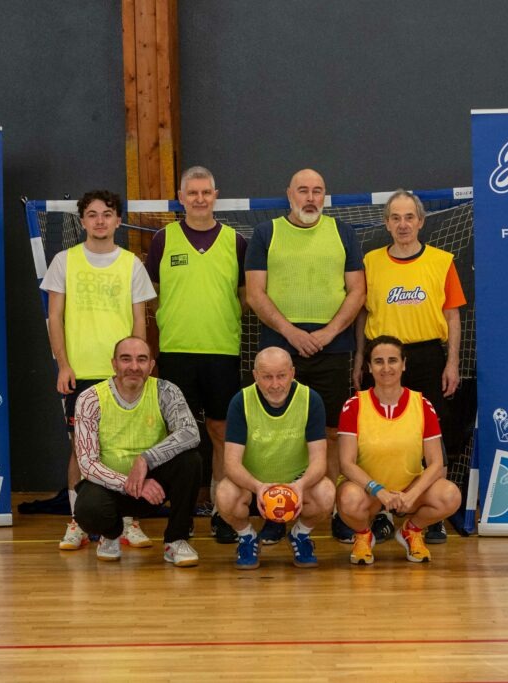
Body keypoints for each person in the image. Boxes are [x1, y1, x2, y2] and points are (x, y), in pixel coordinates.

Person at [245, 168, 364, 542]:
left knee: (332, 433)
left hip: (333, 348)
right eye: (303, 190)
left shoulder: (343, 233)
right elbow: (255, 294)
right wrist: (291, 333)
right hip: (279, 348)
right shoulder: (265, 233)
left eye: (317, 191)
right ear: (289, 194)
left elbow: (357, 291)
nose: (310, 198)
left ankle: (334, 510)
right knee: (276, 434)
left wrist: (328, 332)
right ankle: (275, 512)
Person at [41, 190, 157, 551]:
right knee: (81, 450)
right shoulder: (64, 261)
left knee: (126, 447)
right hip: (81, 372)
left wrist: (138, 368)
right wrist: (63, 364)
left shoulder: (131, 264)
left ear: (118, 220)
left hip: (122, 375)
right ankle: (78, 521)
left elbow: (140, 321)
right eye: (92, 214)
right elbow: (54, 317)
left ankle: (128, 521)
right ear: (82, 221)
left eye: (107, 214)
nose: (100, 220)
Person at [352, 189, 466, 544]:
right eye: (396, 218)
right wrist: (359, 358)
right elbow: (362, 314)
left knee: (433, 435)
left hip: (428, 356)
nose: (403, 225)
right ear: (386, 223)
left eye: (409, 217)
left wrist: (452, 362)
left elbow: (452, 316)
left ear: (421, 221)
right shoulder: (370, 262)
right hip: (383, 359)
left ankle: (429, 518)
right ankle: (382, 512)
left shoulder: (442, 261)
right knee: (379, 435)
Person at [145, 166, 247, 544]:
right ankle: (182, 515)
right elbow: (152, 293)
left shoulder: (236, 242)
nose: (200, 198)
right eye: (193, 193)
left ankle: (223, 511)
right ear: (181, 198)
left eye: (206, 192)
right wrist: (174, 317)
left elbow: (245, 296)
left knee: (222, 433)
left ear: (215, 196)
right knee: (179, 437)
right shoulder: (163, 239)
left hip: (222, 351)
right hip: (176, 352)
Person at [72, 337, 202, 566]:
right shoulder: (90, 398)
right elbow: (87, 463)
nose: (134, 366)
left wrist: (146, 459)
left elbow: (191, 432)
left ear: (151, 365)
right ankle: (111, 534)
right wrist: (130, 483)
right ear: (114, 364)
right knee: (87, 510)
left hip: (155, 487)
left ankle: (176, 540)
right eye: (126, 359)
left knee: (191, 461)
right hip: (111, 489)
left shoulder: (166, 391)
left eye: (141, 360)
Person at [337, 336, 461, 564]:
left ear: (404, 364)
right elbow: (346, 463)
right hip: (369, 490)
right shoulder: (354, 405)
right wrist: (378, 491)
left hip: (408, 489)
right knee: (348, 498)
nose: (386, 368)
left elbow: (435, 463)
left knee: (450, 495)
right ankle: (363, 535)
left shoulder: (422, 404)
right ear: (369, 367)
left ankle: (411, 531)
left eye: (392, 360)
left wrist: (412, 494)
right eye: (379, 361)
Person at [215, 347, 335, 569]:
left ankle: (300, 535)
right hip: (253, 485)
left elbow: (319, 461)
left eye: (281, 376)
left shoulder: (311, 399)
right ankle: (247, 537)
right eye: (267, 377)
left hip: (296, 484)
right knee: (224, 494)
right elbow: (231, 463)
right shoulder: (241, 401)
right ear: (255, 376)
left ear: (292, 373)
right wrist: (258, 487)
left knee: (326, 492)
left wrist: (300, 485)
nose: (275, 384)